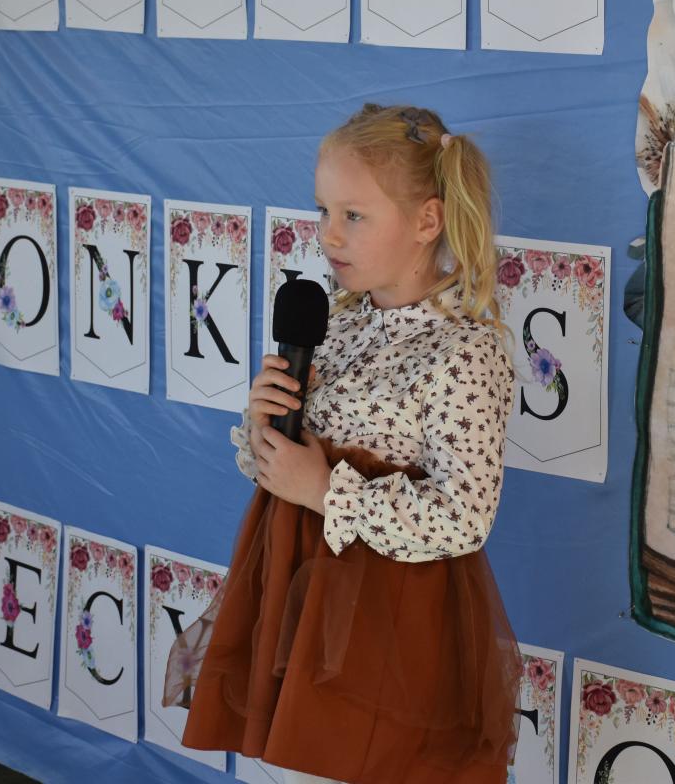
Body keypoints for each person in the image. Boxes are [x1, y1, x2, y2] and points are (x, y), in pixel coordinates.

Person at [176, 104, 522, 784]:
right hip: (294, 590)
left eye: (354, 215)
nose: (329, 234)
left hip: (386, 618)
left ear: (427, 221)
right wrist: (265, 431)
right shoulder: (333, 324)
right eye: (323, 211)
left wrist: (325, 489)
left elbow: (464, 516)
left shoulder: (464, 352)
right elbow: (278, 467)